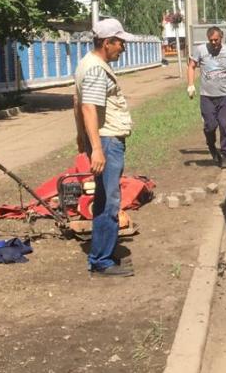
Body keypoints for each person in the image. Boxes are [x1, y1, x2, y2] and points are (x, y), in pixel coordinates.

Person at [74, 18, 135, 277]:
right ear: (106, 42)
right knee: (110, 200)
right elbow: (88, 107)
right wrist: (96, 148)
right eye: (120, 42)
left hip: (102, 140)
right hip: (107, 142)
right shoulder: (97, 69)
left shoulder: (88, 64)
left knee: (102, 197)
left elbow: (77, 101)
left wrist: (81, 136)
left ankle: (101, 255)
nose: (123, 47)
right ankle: (101, 260)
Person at [188, 26, 226, 168]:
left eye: (216, 40)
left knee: (224, 125)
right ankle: (211, 145)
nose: (214, 42)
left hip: (224, 96)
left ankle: (224, 155)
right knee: (210, 126)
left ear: (221, 37)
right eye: (211, 40)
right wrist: (190, 85)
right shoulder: (200, 50)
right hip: (207, 97)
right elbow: (191, 66)